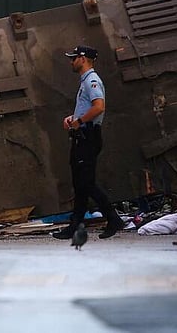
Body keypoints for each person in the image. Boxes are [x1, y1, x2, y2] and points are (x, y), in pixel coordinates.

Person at [52, 45, 124, 240]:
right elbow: (88, 108)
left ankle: (113, 218)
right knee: (80, 183)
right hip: (82, 136)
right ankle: (75, 225)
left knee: (86, 183)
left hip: (88, 137)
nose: (71, 61)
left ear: (83, 59)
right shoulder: (85, 81)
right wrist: (73, 118)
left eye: (73, 58)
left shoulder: (91, 80)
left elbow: (99, 107)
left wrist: (80, 121)